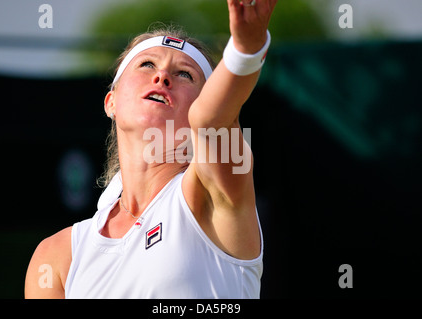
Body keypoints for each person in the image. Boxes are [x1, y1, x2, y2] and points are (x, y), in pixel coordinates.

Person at [25, 0, 278, 298]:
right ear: (111, 102)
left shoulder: (214, 192)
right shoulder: (55, 257)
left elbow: (210, 120)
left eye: (185, 74)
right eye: (147, 65)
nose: (162, 77)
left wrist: (246, 49)